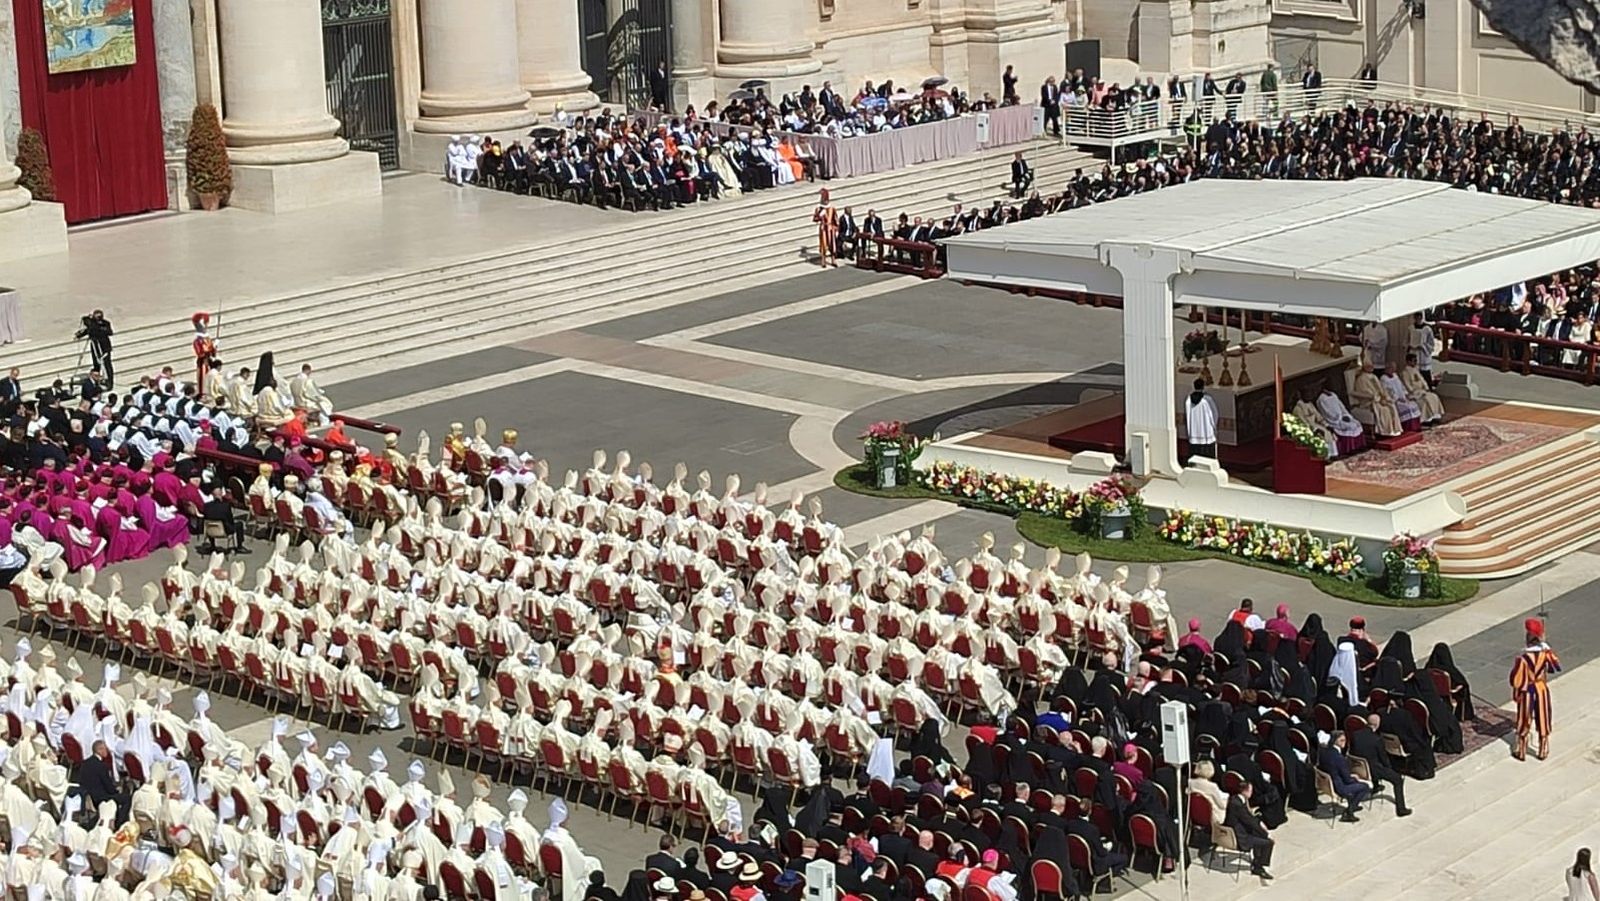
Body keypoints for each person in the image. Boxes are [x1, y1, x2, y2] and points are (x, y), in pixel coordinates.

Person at [1511, 617, 1561, 761]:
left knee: (1524, 718)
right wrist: (1547, 648)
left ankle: (1521, 749)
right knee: (1543, 717)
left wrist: (1517, 693)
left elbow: (1516, 680)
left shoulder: (1523, 659)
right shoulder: (1545, 654)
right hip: (1541, 688)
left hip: (1528, 690)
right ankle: (1543, 748)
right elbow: (1555, 666)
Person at [1348, 714, 1412, 817]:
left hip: (1359, 767)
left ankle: (1376, 786)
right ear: (1377, 724)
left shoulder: (1355, 735)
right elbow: (1383, 759)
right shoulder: (1377, 740)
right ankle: (1401, 809)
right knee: (1397, 779)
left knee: (1373, 762)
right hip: (1372, 769)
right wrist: (1390, 769)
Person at [1224, 781, 1274, 880]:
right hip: (1241, 837)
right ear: (1245, 791)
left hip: (1242, 829)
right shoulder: (1237, 805)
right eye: (1250, 790)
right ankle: (1258, 867)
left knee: (1261, 835)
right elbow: (1248, 820)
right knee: (1269, 843)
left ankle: (1257, 861)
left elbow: (1249, 818)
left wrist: (1259, 824)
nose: (1252, 793)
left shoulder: (1236, 799)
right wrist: (1264, 830)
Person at [1317, 732, 1369, 822]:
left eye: (1344, 740)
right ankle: (1349, 811)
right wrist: (1355, 778)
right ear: (1334, 741)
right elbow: (1348, 780)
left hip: (1328, 783)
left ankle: (1352, 805)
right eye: (1341, 740)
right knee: (1364, 787)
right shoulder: (1339, 758)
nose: (1344, 742)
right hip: (1339, 787)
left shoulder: (1323, 752)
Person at [75, 310, 115, 388]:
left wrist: (99, 327)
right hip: (95, 346)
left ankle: (109, 382)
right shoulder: (92, 324)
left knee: (107, 365)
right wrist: (79, 335)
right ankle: (96, 379)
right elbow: (88, 328)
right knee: (96, 364)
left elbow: (110, 332)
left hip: (104, 347)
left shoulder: (105, 323)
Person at [201, 485, 247, 552]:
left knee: (210, 522)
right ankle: (240, 547)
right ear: (221, 494)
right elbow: (230, 520)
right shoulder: (226, 506)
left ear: (212, 495)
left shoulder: (206, 506)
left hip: (210, 531)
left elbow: (205, 518)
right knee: (239, 524)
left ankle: (212, 545)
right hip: (224, 530)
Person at [1184, 378, 1219, 463]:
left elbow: (1187, 415)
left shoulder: (1188, 400)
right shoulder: (1207, 400)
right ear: (1203, 387)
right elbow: (1214, 414)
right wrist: (1214, 426)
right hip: (1206, 433)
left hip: (1194, 433)